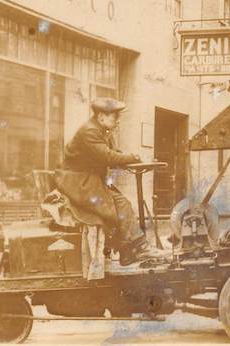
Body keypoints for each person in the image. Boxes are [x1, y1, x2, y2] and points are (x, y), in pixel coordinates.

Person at [54, 98, 161, 266]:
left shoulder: (102, 130)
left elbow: (112, 153)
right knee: (117, 206)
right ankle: (138, 247)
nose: (117, 121)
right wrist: (134, 157)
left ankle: (129, 251)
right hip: (77, 181)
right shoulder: (89, 131)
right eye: (114, 117)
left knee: (121, 204)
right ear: (101, 116)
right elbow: (107, 157)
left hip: (90, 179)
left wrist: (134, 159)